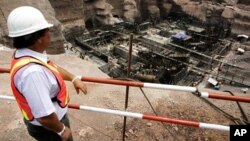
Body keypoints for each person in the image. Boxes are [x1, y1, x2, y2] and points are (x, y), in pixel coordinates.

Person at [7, 6, 87, 141]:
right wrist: (62, 130)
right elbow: (44, 116)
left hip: (48, 124)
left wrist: (73, 78)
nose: (50, 33)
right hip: (49, 129)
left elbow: (52, 68)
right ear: (38, 39)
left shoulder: (27, 54)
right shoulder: (32, 73)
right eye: (47, 31)